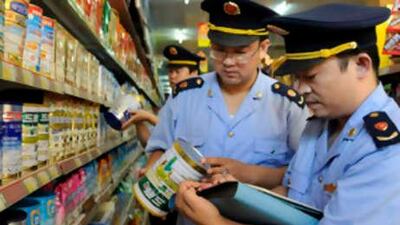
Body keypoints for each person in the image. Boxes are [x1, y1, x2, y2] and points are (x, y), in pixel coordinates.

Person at [176, 3, 400, 225]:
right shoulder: (319, 125)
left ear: (361, 65)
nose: (300, 89)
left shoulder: (385, 150)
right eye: (297, 78)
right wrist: (237, 196)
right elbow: (291, 192)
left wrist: (217, 223)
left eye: (310, 77)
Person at [145, 0, 309, 224]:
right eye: (220, 50)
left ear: (263, 48)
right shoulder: (184, 96)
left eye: (241, 52)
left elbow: (304, 173)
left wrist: (250, 173)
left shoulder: (287, 104)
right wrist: (151, 174)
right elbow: (160, 148)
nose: (228, 62)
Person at [122, 45, 204, 147]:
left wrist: (149, 117)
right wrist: (138, 122)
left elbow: (182, 137)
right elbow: (150, 143)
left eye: (178, 72)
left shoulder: (200, 101)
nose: (172, 76)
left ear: (194, 73)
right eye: (170, 71)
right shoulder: (172, 100)